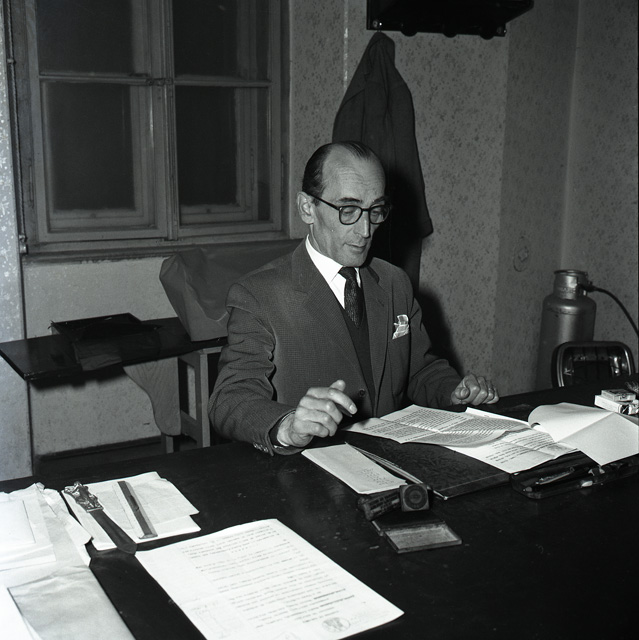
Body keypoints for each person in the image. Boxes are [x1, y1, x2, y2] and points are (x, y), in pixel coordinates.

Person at [209, 141, 498, 454]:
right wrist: (288, 425)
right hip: (307, 466)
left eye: (376, 210)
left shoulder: (394, 283)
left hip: (389, 458)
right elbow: (230, 398)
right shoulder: (258, 295)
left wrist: (453, 391)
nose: (365, 230)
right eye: (348, 210)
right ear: (307, 208)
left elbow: (420, 369)